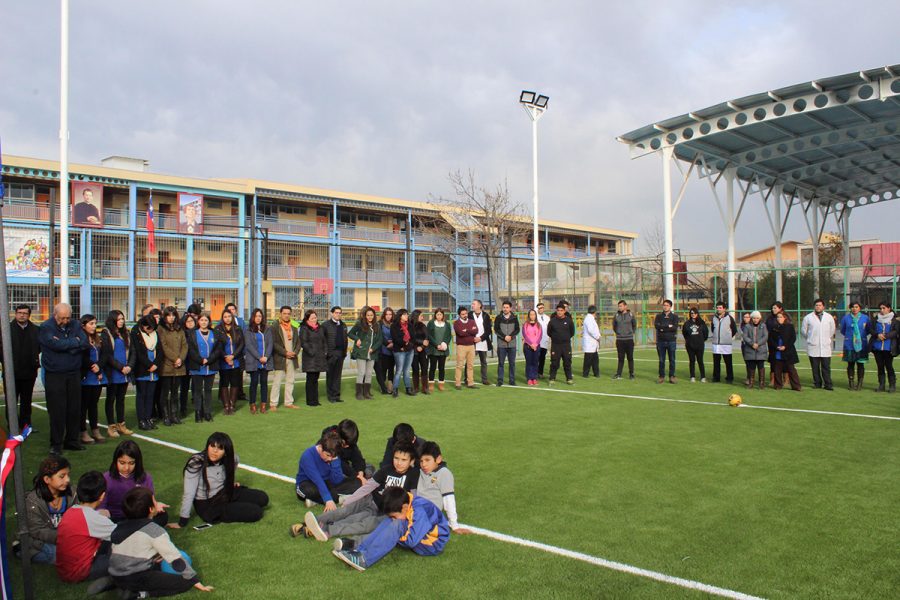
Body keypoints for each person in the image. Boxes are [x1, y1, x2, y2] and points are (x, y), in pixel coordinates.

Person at [296, 440, 419, 545]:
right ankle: (310, 523)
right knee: (345, 510)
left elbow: (414, 497)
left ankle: (327, 530)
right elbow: (368, 486)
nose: (399, 462)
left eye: (403, 460)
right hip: (371, 501)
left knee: (361, 523)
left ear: (411, 461)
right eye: (396, 458)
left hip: (386, 513)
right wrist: (349, 500)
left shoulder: (413, 475)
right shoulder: (386, 470)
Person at [110, 487, 214, 595]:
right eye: (155, 501)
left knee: (154, 566)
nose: (157, 503)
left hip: (115, 573)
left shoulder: (119, 527)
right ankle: (140, 594)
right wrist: (193, 580)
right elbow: (173, 557)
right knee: (185, 583)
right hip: (137, 577)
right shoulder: (154, 530)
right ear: (151, 509)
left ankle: (114, 583)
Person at [332, 487, 450, 572]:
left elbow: (411, 541)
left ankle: (365, 560)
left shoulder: (419, 510)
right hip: (420, 537)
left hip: (432, 544)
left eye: (394, 514)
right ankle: (359, 549)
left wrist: (392, 536)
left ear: (404, 508)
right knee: (390, 521)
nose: (393, 518)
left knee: (396, 524)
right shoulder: (406, 500)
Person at [173, 432, 269, 527]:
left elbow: (233, 464)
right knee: (256, 512)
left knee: (263, 498)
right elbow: (189, 493)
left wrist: (229, 482)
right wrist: (182, 521)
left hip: (224, 493)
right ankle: (233, 507)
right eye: (212, 446)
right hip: (209, 505)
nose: (215, 451)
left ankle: (234, 504)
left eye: (220, 448)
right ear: (207, 446)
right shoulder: (196, 463)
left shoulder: (231, 458)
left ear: (225, 451)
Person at [39, 303, 89, 454]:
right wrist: (74, 343)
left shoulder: (75, 324)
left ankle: (72, 440)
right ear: (55, 315)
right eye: (62, 318)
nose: (65, 321)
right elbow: (53, 344)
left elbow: (84, 342)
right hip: (55, 374)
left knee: (74, 408)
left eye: (68, 317)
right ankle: (56, 443)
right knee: (57, 410)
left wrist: (65, 345)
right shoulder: (46, 327)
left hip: (74, 373)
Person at [55, 471, 116, 590]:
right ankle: (113, 580)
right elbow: (123, 535)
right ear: (102, 496)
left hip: (64, 569)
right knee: (125, 556)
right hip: (79, 572)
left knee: (110, 544)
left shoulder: (71, 511)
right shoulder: (92, 518)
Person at [102, 440, 169, 526]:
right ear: (115, 461)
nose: (126, 468)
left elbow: (148, 502)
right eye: (122, 463)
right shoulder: (107, 478)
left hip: (139, 518)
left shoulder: (145, 477)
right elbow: (101, 507)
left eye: (131, 463)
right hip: (115, 518)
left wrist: (155, 506)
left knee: (162, 516)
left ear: (137, 462)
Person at [23, 455, 74, 563]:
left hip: (65, 539)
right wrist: (64, 537)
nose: (67, 480)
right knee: (61, 556)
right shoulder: (33, 501)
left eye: (68, 475)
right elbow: (36, 531)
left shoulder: (72, 494)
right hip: (38, 542)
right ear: (47, 479)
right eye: (62, 476)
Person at [295, 429, 362, 509]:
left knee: (357, 482)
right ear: (320, 448)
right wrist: (328, 499)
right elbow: (317, 480)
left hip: (327, 482)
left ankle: (315, 500)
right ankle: (336, 498)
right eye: (327, 455)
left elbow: (337, 480)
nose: (330, 459)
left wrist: (335, 462)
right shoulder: (307, 456)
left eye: (333, 457)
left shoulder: (333, 455)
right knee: (309, 490)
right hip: (308, 483)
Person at [0, 304, 41, 431]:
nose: (22, 315)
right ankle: (13, 426)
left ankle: (26, 425)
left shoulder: (36, 329)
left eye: (25, 313)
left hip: (29, 371)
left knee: (26, 400)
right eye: (20, 312)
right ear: (15, 314)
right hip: (11, 372)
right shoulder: (6, 329)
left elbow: (39, 347)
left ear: (29, 315)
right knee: (11, 400)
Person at [415, 441, 470, 533]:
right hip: (416, 508)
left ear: (438, 459)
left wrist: (454, 525)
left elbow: (449, 499)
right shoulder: (421, 471)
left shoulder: (444, 473)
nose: (423, 464)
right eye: (421, 461)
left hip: (430, 513)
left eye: (427, 460)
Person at [101, 311, 133, 439]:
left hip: (125, 372)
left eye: (123, 319)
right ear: (113, 320)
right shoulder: (106, 333)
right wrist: (120, 367)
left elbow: (132, 352)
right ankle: (111, 426)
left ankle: (121, 424)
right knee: (111, 399)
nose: (121, 321)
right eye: (119, 319)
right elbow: (107, 355)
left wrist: (129, 366)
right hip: (113, 372)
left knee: (121, 399)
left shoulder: (126, 333)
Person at [186, 313, 222, 422]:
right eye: (201, 320)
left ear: (209, 322)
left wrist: (209, 360)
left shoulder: (214, 333)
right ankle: (198, 413)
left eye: (206, 320)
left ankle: (207, 413)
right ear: (198, 321)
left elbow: (218, 349)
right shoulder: (192, 333)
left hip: (210, 366)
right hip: (197, 366)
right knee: (197, 391)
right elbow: (191, 350)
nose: (204, 322)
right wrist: (201, 360)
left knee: (208, 391)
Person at [129, 316, 163, 431]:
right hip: (142, 370)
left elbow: (160, 351)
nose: (150, 330)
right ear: (142, 326)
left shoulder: (156, 334)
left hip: (154, 371)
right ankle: (141, 420)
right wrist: (150, 365)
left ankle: (148, 418)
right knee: (141, 395)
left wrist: (156, 364)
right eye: (147, 327)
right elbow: (138, 353)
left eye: (152, 327)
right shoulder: (136, 334)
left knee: (150, 396)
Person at [79, 314, 107, 445]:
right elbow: (82, 357)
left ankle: (95, 429)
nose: (94, 326)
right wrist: (93, 367)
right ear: (83, 325)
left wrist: (99, 367)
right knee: (83, 405)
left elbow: (104, 355)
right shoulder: (80, 338)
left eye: (95, 323)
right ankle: (83, 431)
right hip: (86, 376)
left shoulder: (97, 339)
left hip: (97, 376)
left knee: (93, 405)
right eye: (91, 323)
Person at [158, 307, 187, 426]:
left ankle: (174, 415)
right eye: (169, 315)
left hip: (179, 366)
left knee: (175, 392)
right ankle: (165, 416)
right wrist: (175, 358)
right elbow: (163, 347)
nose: (172, 317)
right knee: (165, 392)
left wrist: (181, 359)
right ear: (164, 317)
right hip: (167, 365)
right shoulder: (161, 329)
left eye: (173, 315)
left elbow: (185, 345)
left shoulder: (179, 329)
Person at [270, 305, 301, 410]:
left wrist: (295, 352)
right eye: (285, 313)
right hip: (280, 357)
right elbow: (274, 343)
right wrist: (285, 352)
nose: (287, 315)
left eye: (288, 313)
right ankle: (273, 403)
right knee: (277, 381)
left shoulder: (294, 327)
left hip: (292, 358)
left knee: (290, 380)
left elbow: (298, 342)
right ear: (280, 314)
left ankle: (288, 402)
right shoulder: (275, 326)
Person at [214, 310, 245, 415]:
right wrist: (226, 357)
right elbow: (217, 345)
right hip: (224, 361)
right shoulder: (218, 329)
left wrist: (233, 356)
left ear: (232, 317)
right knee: (224, 383)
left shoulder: (237, 329)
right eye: (225, 316)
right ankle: (226, 405)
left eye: (229, 316)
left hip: (235, 360)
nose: (227, 318)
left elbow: (241, 344)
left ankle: (232, 405)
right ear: (222, 318)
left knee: (235, 383)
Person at [801, 299, 836, 390]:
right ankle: (817, 383)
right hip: (813, 346)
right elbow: (803, 331)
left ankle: (828, 384)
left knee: (826, 367)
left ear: (823, 307)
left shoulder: (829, 317)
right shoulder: (808, 317)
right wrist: (810, 338)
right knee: (815, 367)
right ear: (814, 306)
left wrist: (826, 339)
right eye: (816, 305)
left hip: (825, 346)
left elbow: (832, 330)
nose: (818, 307)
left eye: (820, 305)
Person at [349, 306, 382, 400]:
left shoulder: (377, 325)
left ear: (374, 316)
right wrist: (357, 339)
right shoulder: (360, 324)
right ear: (364, 316)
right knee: (361, 372)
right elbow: (350, 333)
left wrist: (373, 348)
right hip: (361, 352)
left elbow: (380, 340)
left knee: (369, 373)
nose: (370, 317)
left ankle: (367, 393)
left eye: (371, 315)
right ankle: (359, 393)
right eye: (368, 315)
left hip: (372, 353)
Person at [244, 308, 273, 413]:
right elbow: (249, 345)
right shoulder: (248, 330)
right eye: (256, 316)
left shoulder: (267, 329)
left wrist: (266, 357)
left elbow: (270, 344)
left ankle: (263, 405)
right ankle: (252, 404)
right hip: (254, 361)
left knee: (264, 383)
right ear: (253, 317)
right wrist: (259, 357)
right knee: (254, 382)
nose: (258, 318)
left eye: (260, 316)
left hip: (265, 361)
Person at [840, 302, 871, 391]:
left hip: (862, 345)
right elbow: (843, 330)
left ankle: (860, 384)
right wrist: (852, 337)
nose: (854, 309)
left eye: (856, 307)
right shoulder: (846, 318)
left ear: (860, 308)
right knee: (850, 364)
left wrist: (858, 337)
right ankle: (851, 383)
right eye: (852, 307)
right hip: (849, 345)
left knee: (861, 364)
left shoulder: (865, 318)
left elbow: (868, 330)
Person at [300, 309, 327, 406]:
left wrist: (325, 351)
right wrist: (312, 352)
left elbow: (324, 340)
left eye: (315, 317)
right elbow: (303, 342)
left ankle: (315, 399)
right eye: (312, 318)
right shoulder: (304, 328)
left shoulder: (320, 328)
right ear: (307, 319)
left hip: (319, 357)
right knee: (310, 379)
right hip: (310, 358)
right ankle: (310, 400)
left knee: (316, 379)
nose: (315, 320)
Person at [322, 306, 349, 403]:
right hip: (331, 354)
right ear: (332, 313)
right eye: (336, 312)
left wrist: (344, 352)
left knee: (337, 376)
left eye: (340, 313)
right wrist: (327, 353)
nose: (338, 314)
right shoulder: (326, 325)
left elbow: (345, 339)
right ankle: (330, 396)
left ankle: (336, 395)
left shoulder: (343, 325)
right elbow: (323, 340)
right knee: (330, 376)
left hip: (341, 353)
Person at [869, 302, 897, 393]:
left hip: (889, 347)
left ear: (889, 308)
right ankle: (881, 385)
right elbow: (871, 329)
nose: (881, 310)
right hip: (877, 347)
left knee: (889, 366)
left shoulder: (894, 319)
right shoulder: (876, 319)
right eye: (880, 308)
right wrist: (877, 334)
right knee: (880, 366)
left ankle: (892, 385)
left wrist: (885, 336)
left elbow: (896, 331)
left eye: (883, 308)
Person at [771, 312, 802, 391]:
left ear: (785, 318)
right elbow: (771, 339)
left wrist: (785, 346)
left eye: (781, 317)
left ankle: (796, 386)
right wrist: (776, 346)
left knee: (791, 369)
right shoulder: (774, 327)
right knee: (777, 369)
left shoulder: (790, 327)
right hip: (777, 351)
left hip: (788, 351)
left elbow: (793, 338)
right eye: (778, 317)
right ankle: (778, 385)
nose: (779, 318)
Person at [547, 301, 575, 385]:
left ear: (564, 311)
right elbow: (549, 332)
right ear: (556, 311)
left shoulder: (569, 320)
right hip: (555, 345)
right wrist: (556, 338)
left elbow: (572, 332)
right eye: (558, 310)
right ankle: (552, 378)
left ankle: (569, 378)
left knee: (567, 362)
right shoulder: (552, 321)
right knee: (554, 363)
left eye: (561, 310)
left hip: (566, 345)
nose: (559, 312)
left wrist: (565, 338)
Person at [710, 302, 738, 384]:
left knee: (728, 362)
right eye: (717, 308)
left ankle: (729, 378)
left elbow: (734, 330)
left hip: (726, 344)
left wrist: (727, 337)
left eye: (720, 308)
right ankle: (716, 377)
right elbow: (713, 329)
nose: (718, 309)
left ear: (724, 309)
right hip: (716, 344)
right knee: (716, 362)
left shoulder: (729, 318)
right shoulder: (714, 318)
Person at [390, 309, 416, 397]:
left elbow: (413, 338)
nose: (407, 316)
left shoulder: (410, 325)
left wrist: (408, 346)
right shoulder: (394, 326)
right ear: (400, 316)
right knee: (399, 370)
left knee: (407, 370)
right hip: (399, 350)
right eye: (404, 315)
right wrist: (404, 344)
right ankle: (395, 389)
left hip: (409, 350)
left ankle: (408, 388)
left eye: (407, 315)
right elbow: (396, 339)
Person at [494, 301, 521, 386]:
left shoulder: (514, 318)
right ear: (502, 308)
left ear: (510, 308)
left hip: (512, 344)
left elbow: (517, 329)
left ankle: (512, 380)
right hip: (501, 344)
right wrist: (504, 337)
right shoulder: (498, 318)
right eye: (504, 307)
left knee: (512, 363)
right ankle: (500, 380)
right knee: (501, 363)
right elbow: (496, 329)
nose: (505, 309)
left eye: (507, 307)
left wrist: (511, 337)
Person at [426, 308, 452, 392]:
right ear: (435, 315)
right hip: (433, 349)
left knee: (442, 368)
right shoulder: (431, 323)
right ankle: (431, 384)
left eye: (441, 314)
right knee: (432, 367)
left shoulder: (447, 324)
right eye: (437, 314)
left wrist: (444, 343)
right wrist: (436, 345)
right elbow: (429, 335)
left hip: (443, 350)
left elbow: (449, 336)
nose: (439, 316)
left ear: (443, 315)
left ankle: (441, 384)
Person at [178, 313, 198, 419]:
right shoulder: (182, 334)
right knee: (184, 388)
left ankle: (198, 408)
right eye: (188, 321)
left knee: (197, 388)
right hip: (185, 364)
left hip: (196, 363)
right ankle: (183, 408)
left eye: (192, 321)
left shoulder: (197, 333)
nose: (190, 323)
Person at [741, 310, 768, 389]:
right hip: (750, 350)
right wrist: (752, 343)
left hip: (761, 350)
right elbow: (745, 336)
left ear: (760, 318)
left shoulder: (763, 326)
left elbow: (765, 336)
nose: (755, 320)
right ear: (751, 318)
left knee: (761, 367)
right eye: (754, 318)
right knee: (751, 367)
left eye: (757, 318)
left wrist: (758, 344)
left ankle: (761, 383)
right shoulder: (747, 326)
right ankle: (751, 382)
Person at [654, 299, 679, 384]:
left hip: (671, 341)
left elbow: (674, 328)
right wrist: (668, 326)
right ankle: (661, 377)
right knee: (661, 360)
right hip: (661, 342)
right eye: (664, 305)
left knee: (672, 359)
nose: (665, 307)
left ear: (670, 306)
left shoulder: (675, 316)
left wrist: (663, 327)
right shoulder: (658, 316)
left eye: (667, 305)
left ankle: (672, 376)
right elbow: (657, 326)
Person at [453, 306, 478, 389]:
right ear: (459, 315)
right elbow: (460, 333)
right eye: (463, 314)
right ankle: (458, 383)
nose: (465, 315)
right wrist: (470, 331)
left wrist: (466, 330)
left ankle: (470, 383)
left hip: (471, 346)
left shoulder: (472, 321)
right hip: (461, 347)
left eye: (466, 313)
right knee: (459, 365)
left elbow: (476, 331)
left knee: (470, 365)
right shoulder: (456, 323)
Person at [681, 307, 709, 383]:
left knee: (700, 361)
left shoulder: (702, 322)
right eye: (692, 313)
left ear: (697, 314)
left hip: (699, 345)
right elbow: (684, 333)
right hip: (690, 346)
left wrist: (701, 340)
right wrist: (689, 341)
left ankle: (703, 377)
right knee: (692, 361)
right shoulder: (687, 323)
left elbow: (706, 333)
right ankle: (692, 376)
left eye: (695, 313)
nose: (693, 314)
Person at [612, 300, 636, 380]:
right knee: (620, 358)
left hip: (629, 340)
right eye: (619, 306)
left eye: (621, 306)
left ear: (625, 306)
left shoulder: (631, 315)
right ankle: (619, 374)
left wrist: (630, 333)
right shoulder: (616, 315)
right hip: (619, 340)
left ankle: (631, 374)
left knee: (630, 357)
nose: (619, 307)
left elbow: (634, 325)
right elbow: (614, 326)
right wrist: (619, 333)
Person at [471, 300, 493, 385]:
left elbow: (488, 330)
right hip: (472, 342)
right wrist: (473, 338)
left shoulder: (486, 316)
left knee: (483, 361)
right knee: (469, 362)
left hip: (483, 342)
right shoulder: (469, 315)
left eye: (474, 304)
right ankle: (467, 379)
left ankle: (484, 379)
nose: (472, 305)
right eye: (472, 304)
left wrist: (480, 338)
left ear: (479, 305)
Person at [375, 308, 396, 395]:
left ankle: (390, 384)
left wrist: (393, 342)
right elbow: (380, 336)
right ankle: (382, 385)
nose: (388, 316)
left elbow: (397, 334)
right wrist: (387, 343)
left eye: (390, 314)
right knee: (383, 368)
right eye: (387, 314)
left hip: (393, 349)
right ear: (384, 315)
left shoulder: (394, 324)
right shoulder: (379, 324)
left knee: (391, 368)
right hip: (383, 349)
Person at [410, 309, 430, 395]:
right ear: (416, 316)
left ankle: (425, 387)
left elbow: (426, 339)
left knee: (424, 368)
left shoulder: (423, 326)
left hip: (423, 351)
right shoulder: (409, 326)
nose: (423, 317)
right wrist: (418, 345)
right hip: (413, 351)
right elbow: (411, 339)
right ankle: (416, 388)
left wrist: (422, 347)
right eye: (421, 316)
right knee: (415, 369)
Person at [765, 302, 785, 386]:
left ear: (780, 309)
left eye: (775, 308)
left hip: (783, 344)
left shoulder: (785, 317)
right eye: (772, 308)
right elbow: (767, 330)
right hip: (772, 343)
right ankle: (772, 380)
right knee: (773, 362)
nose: (773, 309)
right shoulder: (769, 319)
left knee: (785, 362)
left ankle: (786, 380)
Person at [522, 309, 542, 386]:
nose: (532, 316)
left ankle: (535, 378)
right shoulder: (525, 325)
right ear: (528, 315)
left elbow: (540, 336)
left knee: (535, 363)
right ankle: (529, 379)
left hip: (536, 347)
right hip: (528, 347)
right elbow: (525, 335)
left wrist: (536, 344)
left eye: (534, 314)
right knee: (529, 363)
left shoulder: (538, 325)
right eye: (531, 314)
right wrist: (531, 344)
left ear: (535, 315)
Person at [581, 305, 601, 378]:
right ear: (594, 312)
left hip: (592, 343)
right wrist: (597, 337)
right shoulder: (589, 319)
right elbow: (591, 330)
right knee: (588, 360)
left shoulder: (590, 318)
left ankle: (596, 373)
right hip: (590, 343)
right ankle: (585, 373)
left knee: (595, 359)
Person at [536, 303, 551, 379]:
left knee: (542, 358)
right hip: (536, 341)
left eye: (541, 308)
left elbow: (550, 328)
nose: (540, 309)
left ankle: (540, 373)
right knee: (536, 358)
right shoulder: (535, 317)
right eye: (539, 308)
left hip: (545, 340)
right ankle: (534, 373)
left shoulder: (547, 318)